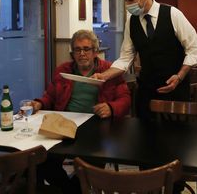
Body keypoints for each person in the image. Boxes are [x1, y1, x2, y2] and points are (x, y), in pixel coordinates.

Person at [32, 29, 131, 193]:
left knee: (87, 170)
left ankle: (75, 188)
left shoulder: (109, 70)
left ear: (95, 52)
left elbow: (126, 99)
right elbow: (50, 96)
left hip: (97, 128)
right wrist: (39, 104)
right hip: (66, 126)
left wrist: (111, 108)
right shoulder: (63, 70)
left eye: (86, 49)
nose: (82, 54)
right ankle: (71, 189)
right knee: (41, 162)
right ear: (72, 53)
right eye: (77, 49)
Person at [93, 0, 197, 119]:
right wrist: (104, 75)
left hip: (175, 88)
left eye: (131, 0)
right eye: (125, 1)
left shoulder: (172, 14)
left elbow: (193, 48)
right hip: (146, 90)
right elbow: (125, 58)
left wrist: (179, 76)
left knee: (175, 135)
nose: (127, 5)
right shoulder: (132, 22)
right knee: (144, 134)